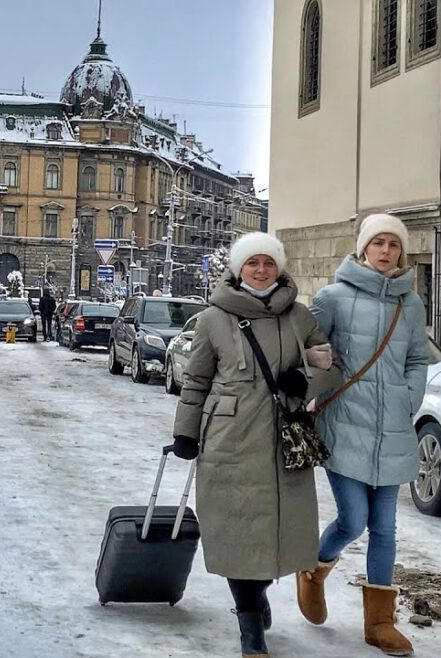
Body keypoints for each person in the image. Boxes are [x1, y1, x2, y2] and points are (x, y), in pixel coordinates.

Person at [171, 232, 335, 658]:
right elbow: (196, 379)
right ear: (238, 268)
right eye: (252, 263)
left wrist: (303, 380)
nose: (261, 270)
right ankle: (249, 625)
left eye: (268, 263)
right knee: (235, 529)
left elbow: (329, 362)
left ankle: (257, 595)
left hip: (283, 439)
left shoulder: (298, 315)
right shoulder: (213, 318)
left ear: (278, 268)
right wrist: (186, 432)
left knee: (275, 530)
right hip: (229, 437)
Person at [299, 214, 430, 656]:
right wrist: (316, 388)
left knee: (385, 528)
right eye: (379, 242)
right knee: (353, 520)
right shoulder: (332, 297)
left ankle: (379, 623)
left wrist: (409, 398)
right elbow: (310, 352)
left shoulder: (410, 304)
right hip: (344, 425)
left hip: (392, 429)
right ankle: (313, 570)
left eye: (394, 244)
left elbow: (417, 358)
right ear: (363, 248)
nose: (386, 251)